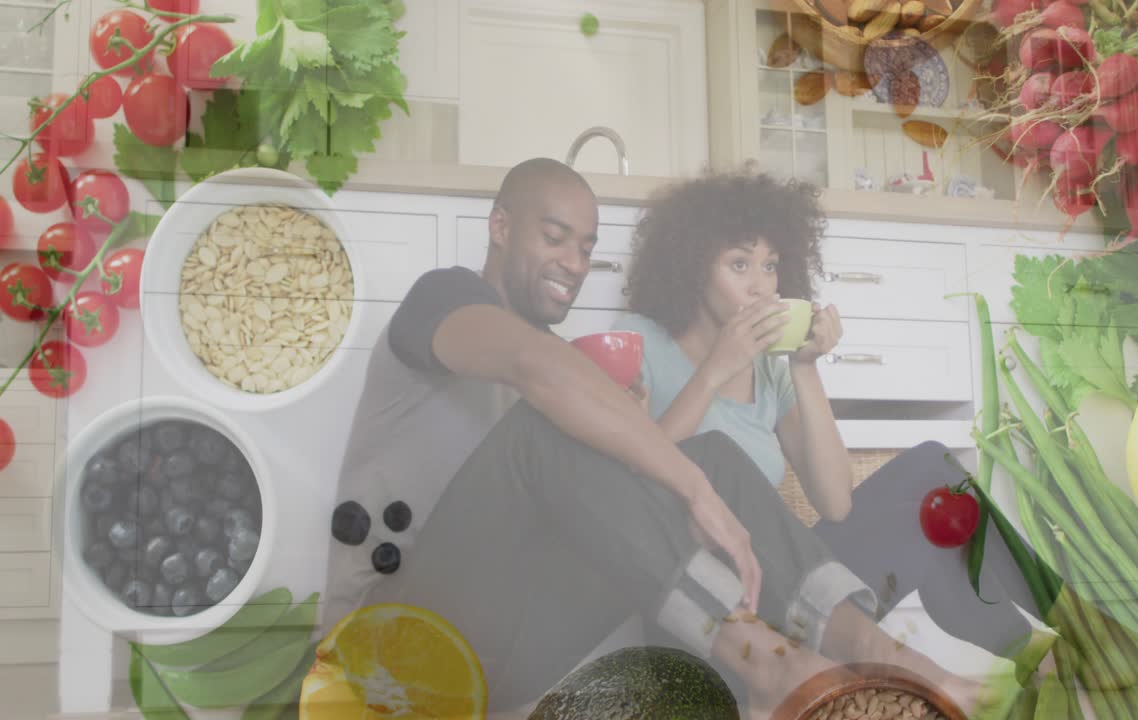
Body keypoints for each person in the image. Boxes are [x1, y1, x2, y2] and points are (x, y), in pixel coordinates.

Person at [321, 158, 982, 718]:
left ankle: (889, 658)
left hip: (501, 658)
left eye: (585, 248)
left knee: (713, 457)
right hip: (389, 644)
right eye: (555, 237)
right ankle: (770, 666)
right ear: (500, 228)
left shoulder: (566, 358)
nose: (574, 264)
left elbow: (628, 450)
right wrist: (689, 487)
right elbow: (532, 368)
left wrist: (658, 446)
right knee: (563, 431)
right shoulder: (445, 298)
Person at [613, 168, 1040, 663]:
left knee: (932, 472)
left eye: (770, 266)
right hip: (708, 607)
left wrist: (804, 365)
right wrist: (712, 373)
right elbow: (631, 493)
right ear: (691, 267)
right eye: (739, 264)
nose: (761, 287)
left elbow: (835, 504)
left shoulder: (768, 368)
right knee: (932, 526)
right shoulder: (640, 340)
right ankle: (1047, 651)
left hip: (788, 585)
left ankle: (1056, 638)